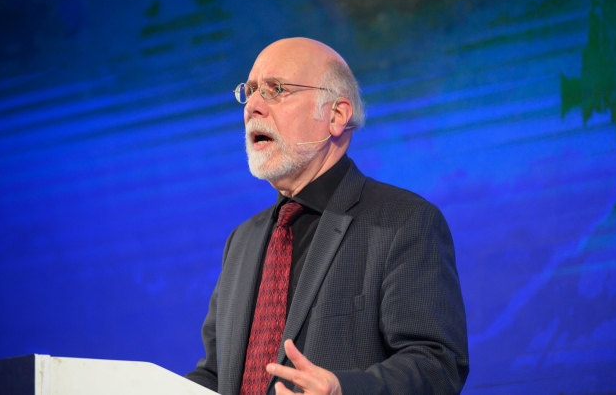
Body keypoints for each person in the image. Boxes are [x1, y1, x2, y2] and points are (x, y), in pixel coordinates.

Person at [185, 38, 469, 395]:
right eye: (251, 90)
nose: (253, 106)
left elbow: (436, 365)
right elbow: (215, 374)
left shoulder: (404, 222)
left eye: (276, 90)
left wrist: (341, 389)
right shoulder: (241, 241)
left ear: (335, 115)